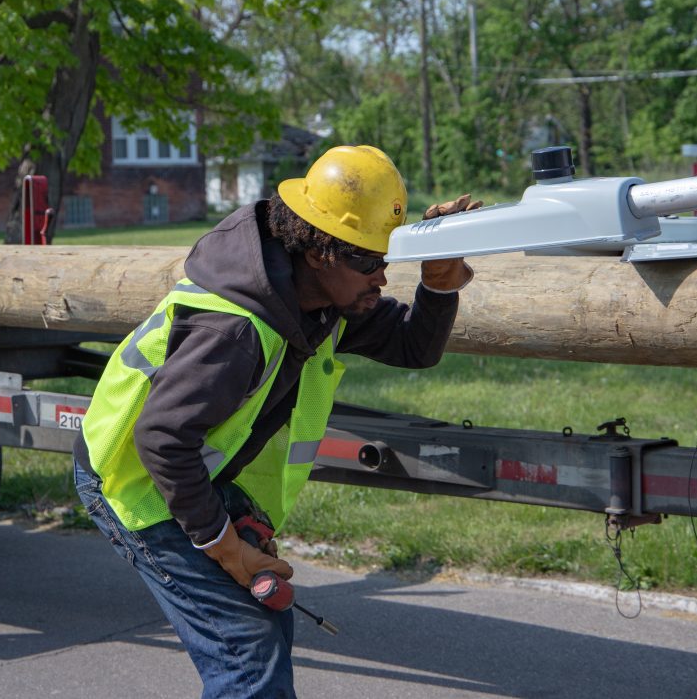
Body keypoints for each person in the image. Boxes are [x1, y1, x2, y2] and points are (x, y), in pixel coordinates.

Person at [73, 144, 480, 698]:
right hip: (134, 480)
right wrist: (223, 545)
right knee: (247, 651)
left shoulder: (322, 300)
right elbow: (162, 439)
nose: (381, 276)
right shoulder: (235, 329)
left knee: (261, 622)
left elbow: (414, 346)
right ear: (319, 252)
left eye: (387, 258)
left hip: (190, 469)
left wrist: (439, 281)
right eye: (367, 259)